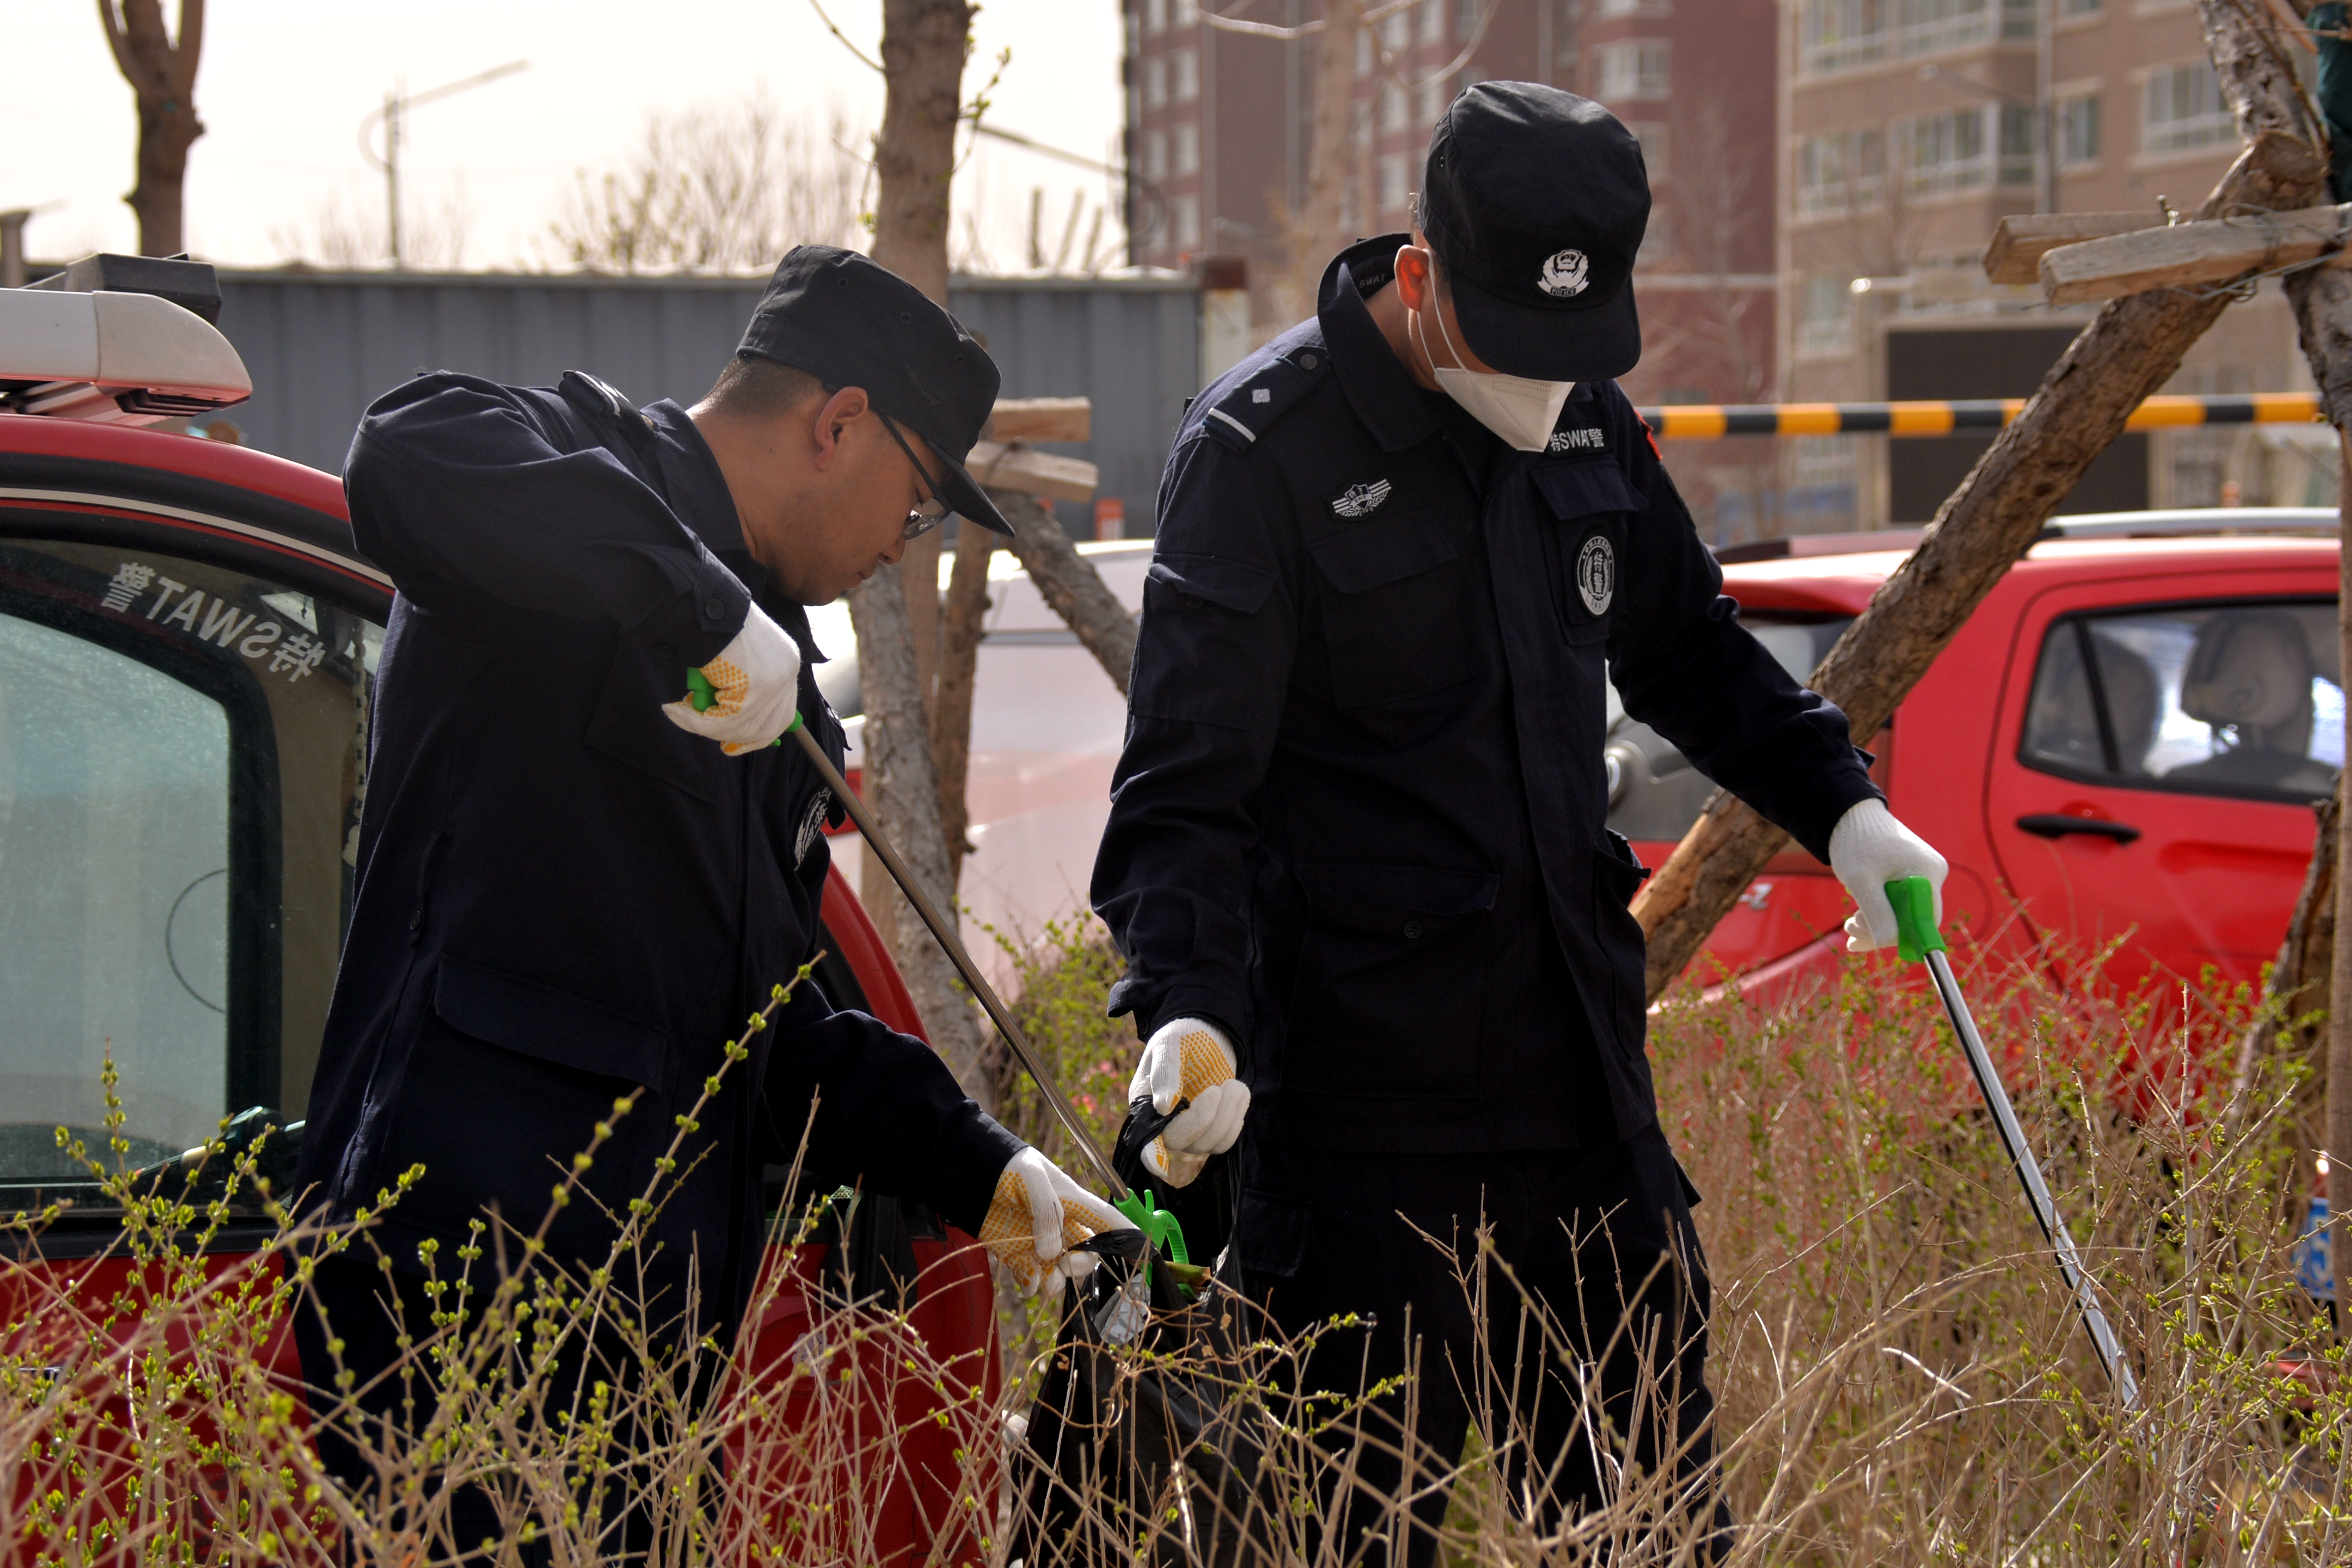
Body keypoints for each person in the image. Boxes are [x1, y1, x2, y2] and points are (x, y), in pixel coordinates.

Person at [1091, 85, 1948, 1564]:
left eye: (1577, 350)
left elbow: (1686, 646)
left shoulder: (1584, 416)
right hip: (1355, 1137)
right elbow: (1184, 790)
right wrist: (1190, 1006)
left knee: (1651, 1530)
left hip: (1582, 1106)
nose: (1550, 389)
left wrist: (1841, 801)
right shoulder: (1262, 454)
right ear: (1421, 279)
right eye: (1517, 346)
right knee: (1340, 1539)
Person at [292, 245, 1128, 1558]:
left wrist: (1001, 1183)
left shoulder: (775, 686)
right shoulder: (578, 481)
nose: (897, 552)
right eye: (915, 508)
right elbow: (404, 453)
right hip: (465, 1296)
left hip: (647, 1345)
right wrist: (689, 604)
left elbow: (770, 1026)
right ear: (838, 424)